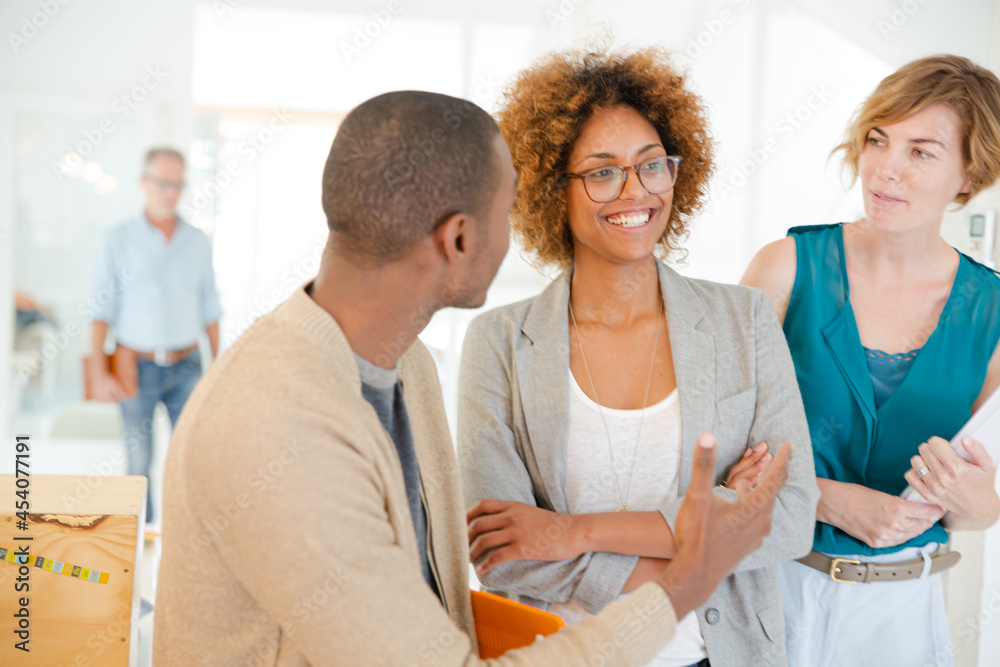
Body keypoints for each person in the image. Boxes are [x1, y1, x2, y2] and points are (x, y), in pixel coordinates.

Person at [152, 90, 793, 666]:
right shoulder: (276, 423)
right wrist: (687, 578)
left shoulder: (408, 366)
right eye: (507, 208)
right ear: (460, 238)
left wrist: (580, 537)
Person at [456, 48, 820, 667]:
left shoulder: (744, 321)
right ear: (552, 189)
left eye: (652, 165)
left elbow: (788, 518)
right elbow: (503, 552)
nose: (635, 191)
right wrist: (692, 565)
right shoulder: (499, 343)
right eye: (602, 173)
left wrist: (571, 532)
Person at [741, 55, 1000, 667]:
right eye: (878, 140)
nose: (886, 169)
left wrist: (969, 498)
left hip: (903, 617)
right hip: (770, 587)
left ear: (969, 175)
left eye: (922, 151)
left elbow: (986, 507)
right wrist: (824, 498)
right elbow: (714, 443)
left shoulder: (992, 313)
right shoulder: (784, 268)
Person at [88, 147, 221, 522]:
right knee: (139, 462)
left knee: (190, 460)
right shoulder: (116, 240)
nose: (170, 192)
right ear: (143, 182)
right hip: (136, 367)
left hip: (189, 366)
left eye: (178, 184)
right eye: (162, 182)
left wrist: (217, 367)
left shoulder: (197, 241)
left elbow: (210, 308)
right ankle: (139, 547)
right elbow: (101, 311)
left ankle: (185, 544)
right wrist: (100, 372)